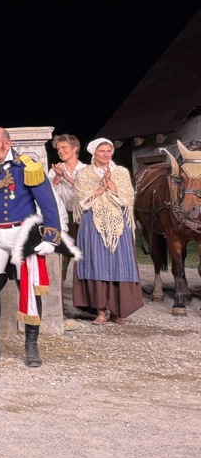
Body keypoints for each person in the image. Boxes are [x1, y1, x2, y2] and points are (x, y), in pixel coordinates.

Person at [0, 127, 63, 367]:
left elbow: (47, 204)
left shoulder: (28, 167)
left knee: (28, 290)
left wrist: (51, 237)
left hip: (22, 234)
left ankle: (31, 347)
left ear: (7, 144)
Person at [72, 138, 143, 325]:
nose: (106, 154)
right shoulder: (83, 174)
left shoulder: (121, 172)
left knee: (119, 263)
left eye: (108, 151)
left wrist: (112, 187)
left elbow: (128, 199)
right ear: (94, 153)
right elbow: (81, 202)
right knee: (97, 262)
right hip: (93, 223)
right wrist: (101, 188)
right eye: (102, 151)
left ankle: (118, 310)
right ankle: (100, 311)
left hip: (119, 224)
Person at [50, 134, 85, 282]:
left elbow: (85, 191)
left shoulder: (86, 169)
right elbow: (52, 195)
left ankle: (84, 294)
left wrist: (66, 177)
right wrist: (58, 177)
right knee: (62, 255)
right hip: (64, 217)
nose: (60, 151)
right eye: (58, 149)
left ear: (74, 148)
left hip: (83, 216)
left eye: (64, 148)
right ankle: (60, 295)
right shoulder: (54, 171)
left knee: (84, 254)